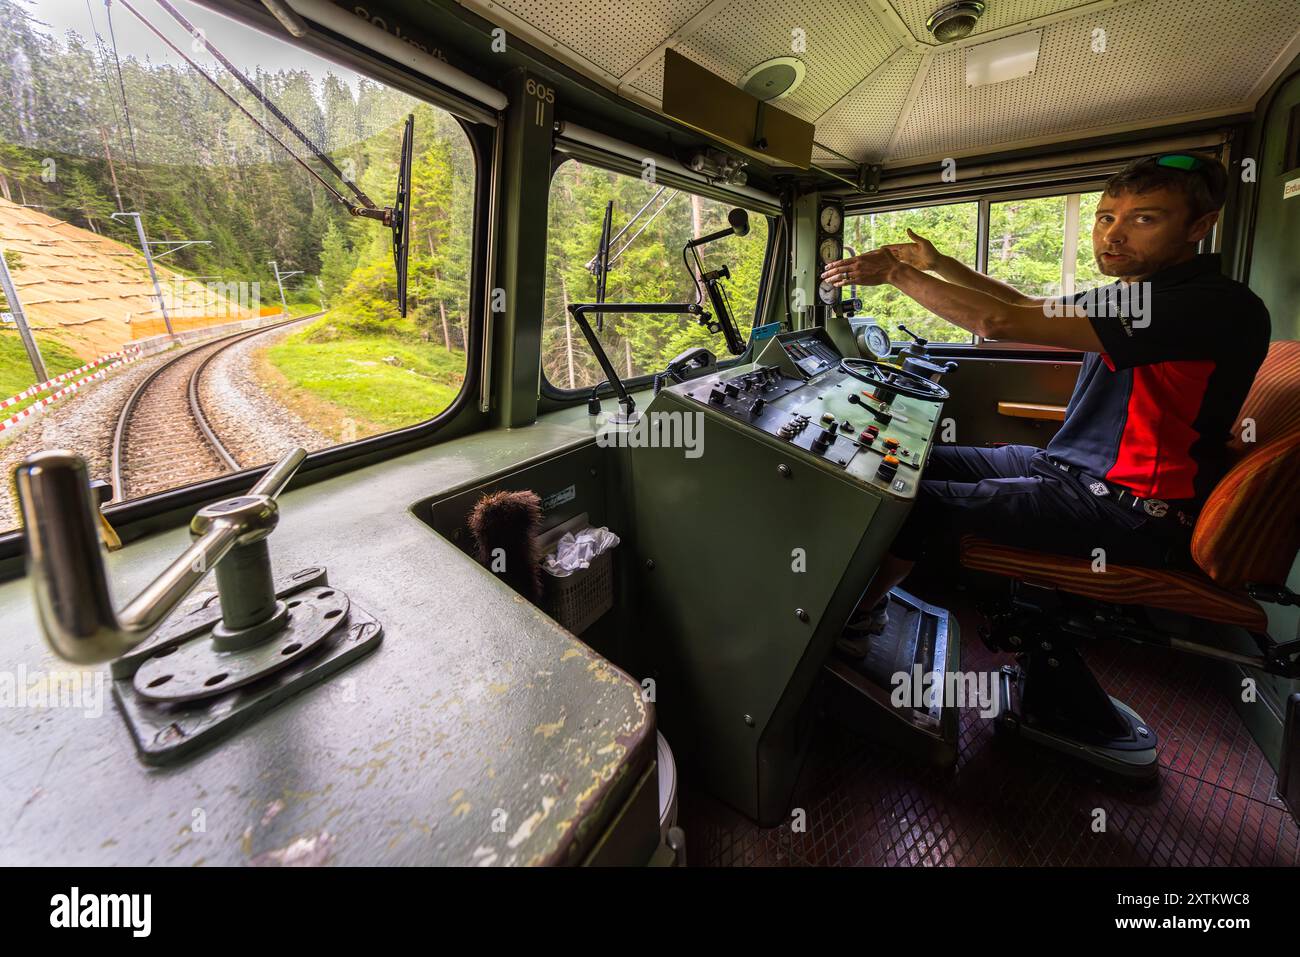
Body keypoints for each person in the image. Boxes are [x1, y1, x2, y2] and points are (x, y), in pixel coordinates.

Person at [820, 153, 1271, 656]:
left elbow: (998, 323)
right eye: (1106, 217)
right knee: (903, 462)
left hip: (1128, 508)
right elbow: (1025, 308)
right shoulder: (1137, 293)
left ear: (1201, 227)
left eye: (1145, 218)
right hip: (1067, 470)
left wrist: (895, 275)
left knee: (916, 502)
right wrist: (937, 266)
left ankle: (854, 617)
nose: (1113, 235)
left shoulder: (1205, 306)